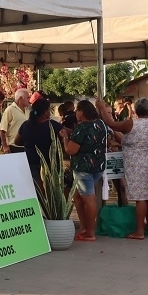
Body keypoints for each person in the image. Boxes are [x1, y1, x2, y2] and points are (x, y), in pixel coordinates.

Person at [97, 97, 148, 240]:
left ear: (135, 110)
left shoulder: (131, 124)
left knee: (141, 198)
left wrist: (101, 108)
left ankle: (139, 231)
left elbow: (111, 124)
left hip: (136, 165)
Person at [62, 100, 106, 242]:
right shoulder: (100, 124)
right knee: (78, 196)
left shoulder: (81, 128)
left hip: (83, 168)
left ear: (82, 112)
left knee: (88, 199)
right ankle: (84, 227)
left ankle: (90, 233)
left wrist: (65, 138)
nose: (75, 113)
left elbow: (70, 150)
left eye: (77, 110)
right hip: (98, 166)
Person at [15, 97, 65, 188]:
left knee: (35, 188)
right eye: (49, 110)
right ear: (45, 112)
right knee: (48, 188)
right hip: (48, 162)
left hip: (30, 160)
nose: (50, 112)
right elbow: (68, 132)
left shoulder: (26, 124)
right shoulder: (52, 124)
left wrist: (29, 143)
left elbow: (17, 141)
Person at [0, 88, 29, 154]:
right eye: (27, 97)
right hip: (14, 147)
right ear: (20, 98)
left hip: (27, 146)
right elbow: (2, 129)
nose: (29, 100)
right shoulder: (10, 110)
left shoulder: (28, 110)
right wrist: (5, 146)